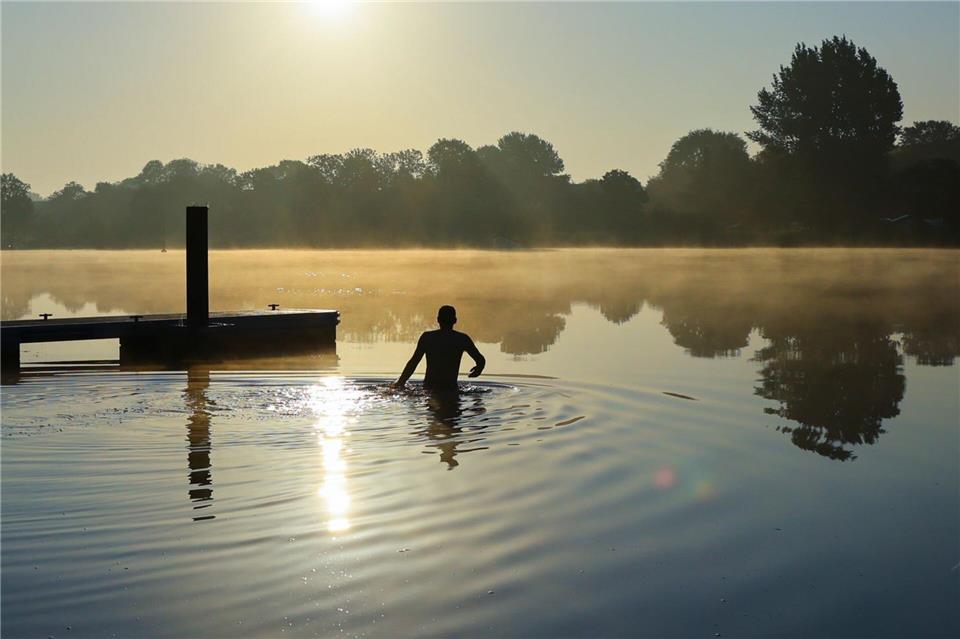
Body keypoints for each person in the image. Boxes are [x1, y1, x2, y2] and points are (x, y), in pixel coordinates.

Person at [393, 305, 485, 390]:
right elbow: (480, 360)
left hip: (429, 387)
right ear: (455, 320)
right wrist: (478, 370)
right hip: (450, 388)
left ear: (438, 320)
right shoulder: (461, 339)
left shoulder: (427, 337)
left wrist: (400, 382)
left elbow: (413, 362)